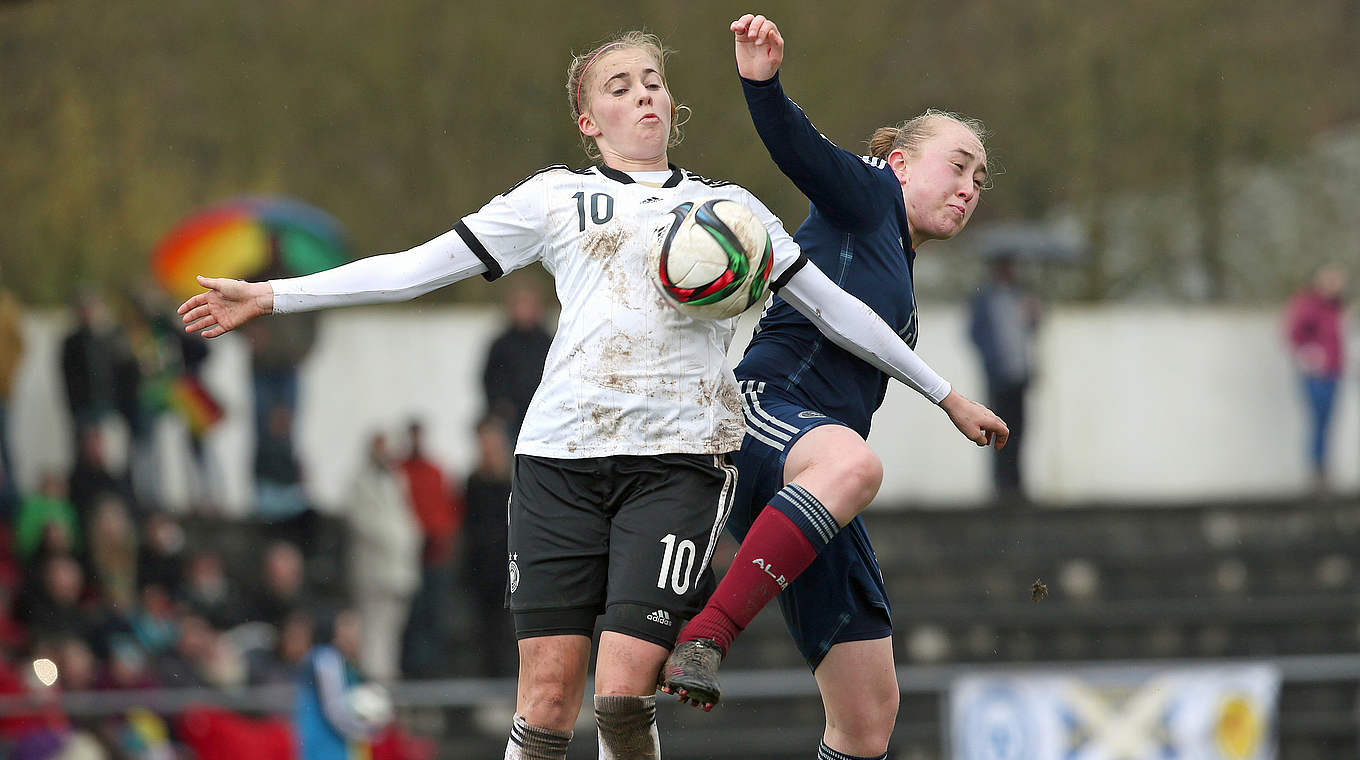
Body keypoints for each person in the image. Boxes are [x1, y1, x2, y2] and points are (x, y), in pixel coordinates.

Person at [175, 29, 1005, 760]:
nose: (642, 92)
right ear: (588, 120)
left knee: (623, 694)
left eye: (653, 80)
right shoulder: (553, 200)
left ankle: (696, 648)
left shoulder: (731, 213)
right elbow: (413, 268)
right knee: (544, 695)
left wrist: (944, 396)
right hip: (557, 457)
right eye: (619, 85)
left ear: (671, 104)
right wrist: (275, 294)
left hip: (678, 461)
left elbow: (837, 307)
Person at [661, 16, 1004, 760]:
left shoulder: (896, 258)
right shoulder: (867, 196)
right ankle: (707, 634)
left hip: (815, 481)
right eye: (959, 165)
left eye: (981, 179)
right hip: (767, 416)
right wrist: (762, 81)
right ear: (902, 163)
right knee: (855, 466)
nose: (970, 187)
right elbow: (797, 148)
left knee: (869, 714)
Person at [345, 433, 421, 684]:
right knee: (372, 629)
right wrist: (394, 537)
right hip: (373, 571)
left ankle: (387, 677)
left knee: (393, 631)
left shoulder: (396, 479)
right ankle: (373, 678)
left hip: (397, 570)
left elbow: (406, 519)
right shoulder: (361, 482)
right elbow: (364, 524)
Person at [968, 256, 1040, 501]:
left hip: (1020, 376)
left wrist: (1034, 315)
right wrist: (992, 361)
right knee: (997, 431)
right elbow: (974, 334)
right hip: (998, 377)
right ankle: (1002, 487)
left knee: (1020, 430)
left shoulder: (1020, 298)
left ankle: (1016, 485)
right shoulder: (985, 300)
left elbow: (1030, 331)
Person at [460, 414, 516, 678]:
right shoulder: (474, 482)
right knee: (486, 633)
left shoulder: (512, 480)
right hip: (483, 571)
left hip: (509, 568)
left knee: (508, 633)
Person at [1284, 264, 1348, 494]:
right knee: (1318, 419)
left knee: (1327, 421)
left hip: (1333, 371)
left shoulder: (1336, 307)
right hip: (1316, 374)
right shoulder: (1309, 304)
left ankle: (1322, 467)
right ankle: (1316, 469)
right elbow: (1293, 333)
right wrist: (1308, 355)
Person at [482, 284, 554, 441]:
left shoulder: (549, 341)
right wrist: (499, 407)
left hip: (544, 417)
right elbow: (489, 379)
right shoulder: (501, 344)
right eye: (520, 304)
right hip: (510, 420)